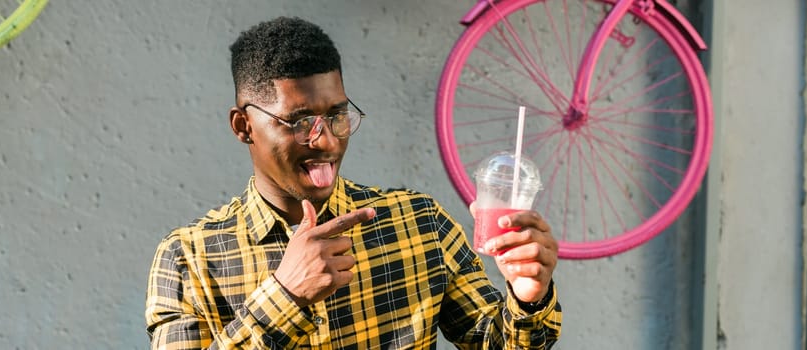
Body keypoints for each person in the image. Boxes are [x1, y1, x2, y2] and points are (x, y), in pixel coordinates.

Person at [145, 16, 561, 349]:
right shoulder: (189, 259)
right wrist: (285, 298)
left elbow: (502, 342)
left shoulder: (419, 224)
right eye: (300, 121)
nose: (325, 140)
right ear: (244, 126)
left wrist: (528, 297)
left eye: (337, 116)